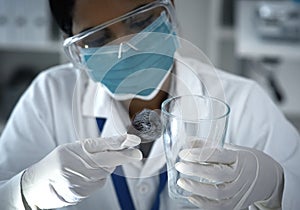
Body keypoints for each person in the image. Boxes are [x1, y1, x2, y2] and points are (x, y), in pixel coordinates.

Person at [0, 0, 299, 209]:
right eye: (99, 38)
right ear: (75, 48)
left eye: (141, 20)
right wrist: (27, 192)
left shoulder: (243, 101)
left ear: (169, 9)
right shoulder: (48, 97)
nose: (125, 47)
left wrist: (275, 188)